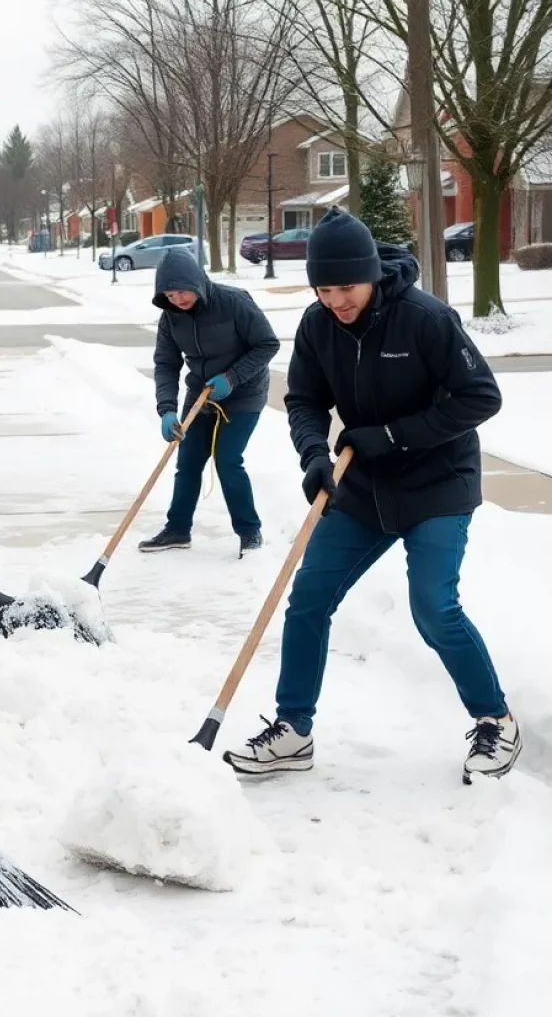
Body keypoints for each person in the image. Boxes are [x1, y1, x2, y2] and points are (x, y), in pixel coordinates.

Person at [223, 207, 519, 784]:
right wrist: (312, 453)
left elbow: (480, 397)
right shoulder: (316, 326)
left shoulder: (424, 318)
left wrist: (391, 436)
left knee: (434, 608)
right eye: (324, 288)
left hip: (438, 481)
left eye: (346, 287)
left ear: (372, 276)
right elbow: (304, 399)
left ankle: (496, 719)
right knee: (308, 597)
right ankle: (294, 730)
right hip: (365, 487)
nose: (336, 300)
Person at [140, 247, 279, 557]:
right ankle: (177, 529)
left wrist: (232, 377)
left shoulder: (233, 303)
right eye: (169, 294)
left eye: (181, 291)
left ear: (196, 282)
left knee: (228, 459)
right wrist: (167, 409)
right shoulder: (170, 318)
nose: (177, 299)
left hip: (244, 392)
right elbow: (166, 364)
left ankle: (249, 532)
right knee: (188, 459)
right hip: (200, 391)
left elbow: (267, 344)